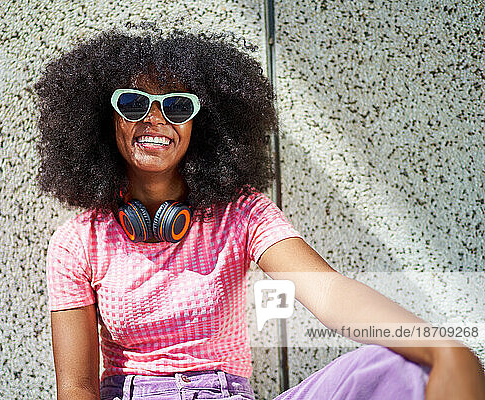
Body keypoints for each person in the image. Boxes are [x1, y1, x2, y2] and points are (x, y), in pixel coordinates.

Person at [35, 30, 485, 400]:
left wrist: (441, 349)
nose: (155, 119)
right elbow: (75, 386)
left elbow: (329, 294)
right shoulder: (78, 241)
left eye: (176, 105)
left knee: (399, 363)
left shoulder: (242, 211)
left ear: (201, 124)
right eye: (134, 104)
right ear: (103, 118)